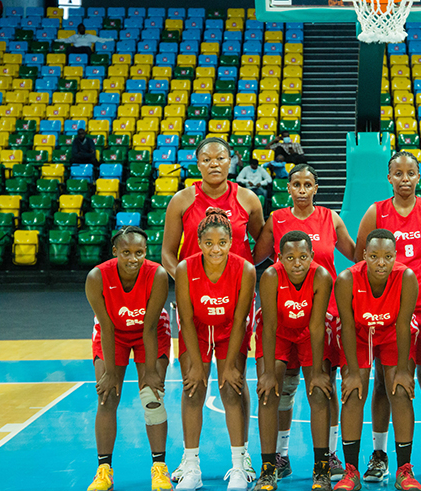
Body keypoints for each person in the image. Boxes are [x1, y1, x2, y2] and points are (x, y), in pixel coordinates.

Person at [162, 137, 264, 484]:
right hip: (195, 302)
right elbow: (167, 252)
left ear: (231, 160)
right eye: (207, 158)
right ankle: (191, 461)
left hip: (234, 301)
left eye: (221, 157)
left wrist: (242, 281)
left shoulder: (247, 199)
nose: (215, 163)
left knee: (233, 379)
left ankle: (243, 456)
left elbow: (260, 243)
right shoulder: (182, 200)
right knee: (193, 381)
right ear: (198, 163)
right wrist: (188, 284)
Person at [252, 164, 357, 482]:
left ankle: (330, 454)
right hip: (283, 309)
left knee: (323, 385)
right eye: (295, 183)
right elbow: (255, 257)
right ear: (288, 188)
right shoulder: (277, 219)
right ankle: (278, 457)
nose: (301, 188)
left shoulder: (331, 218)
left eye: (307, 183)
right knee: (280, 388)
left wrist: (386, 254)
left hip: (323, 315)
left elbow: (355, 253)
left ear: (315, 187)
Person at [354, 151, 421, 483]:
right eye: (399, 173)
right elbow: (360, 260)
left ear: (419, 177)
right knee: (385, 382)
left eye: (411, 173)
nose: (405, 179)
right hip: (387, 313)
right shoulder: (376, 212)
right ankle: (380, 454)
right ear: (389, 177)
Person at [84, 226, 173, 491]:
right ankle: (103, 471)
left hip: (149, 331)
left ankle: (159, 469)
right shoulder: (96, 277)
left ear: (146, 252)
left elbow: (149, 327)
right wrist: (111, 372)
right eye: (126, 252)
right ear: (115, 252)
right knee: (107, 395)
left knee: (152, 398)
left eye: (139, 252)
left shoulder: (156, 275)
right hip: (113, 333)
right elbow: (107, 327)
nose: (133, 258)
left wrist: (152, 372)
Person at [174, 208, 257, 491]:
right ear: (199, 243)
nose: (215, 249)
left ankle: (238, 465)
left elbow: (240, 319)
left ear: (231, 242)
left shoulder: (245, 269)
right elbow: (185, 318)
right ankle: (191, 465)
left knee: (231, 389)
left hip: (229, 332)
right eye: (208, 243)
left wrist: (232, 363)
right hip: (195, 331)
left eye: (221, 242)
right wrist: (197, 365)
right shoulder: (185, 268)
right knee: (193, 388)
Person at [334, 229, 421, 491]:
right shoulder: (347, 279)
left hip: (394, 332)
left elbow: (404, 324)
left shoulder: (406, 277)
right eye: (374, 256)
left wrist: (406, 370)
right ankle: (351, 471)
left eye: (387, 257)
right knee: (354, 392)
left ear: (396, 256)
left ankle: (404, 470)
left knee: (400, 389)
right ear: (364, 256)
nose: (381, 263)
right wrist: (350, 372)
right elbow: (347, 327)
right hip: (359, 335)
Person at [254, 231, 335, 491]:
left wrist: (319, 372)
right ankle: (269, 468)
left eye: (303, 257)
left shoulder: (321, 276)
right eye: (290, 257)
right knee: (269, 391)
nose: (297, 263)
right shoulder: (270, 276)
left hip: (307, 333)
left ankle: (321, 467)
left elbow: (316, 326)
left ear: (311, 256)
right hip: (276, 333)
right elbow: (269, 327)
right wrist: (267, 372)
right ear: (279, 258)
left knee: (319, 392)